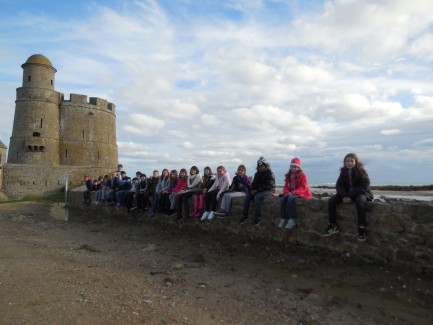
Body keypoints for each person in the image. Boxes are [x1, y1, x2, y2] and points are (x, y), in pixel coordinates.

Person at [322, 153, 373, 241]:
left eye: (351, 161)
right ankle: (333, 226)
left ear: (356, 162)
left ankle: (361, 228)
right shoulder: (343, 172)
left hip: (361, 193)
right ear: (344, 162)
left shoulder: (362, 171)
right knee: (332, 201)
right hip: (346, 194)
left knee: (360, 202)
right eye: (347, 161)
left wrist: (350, 196)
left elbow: (365, 186)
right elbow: (339, 186)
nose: (349, 163)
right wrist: (344, 196)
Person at [240, 157, 275, 226]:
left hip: (268, 190)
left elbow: (269, 185)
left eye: (262, 166)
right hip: (259, 190)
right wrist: (252, 189)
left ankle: (257, 218)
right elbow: (253, 184)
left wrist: (257, 190)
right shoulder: (257, 174)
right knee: (248, 196)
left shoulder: (269, 173)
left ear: (265, 166)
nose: (261, 168)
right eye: (259, 166)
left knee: (257, 197)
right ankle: (244, 216)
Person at [278, 158, 312, 229]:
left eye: (295, 167)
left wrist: (292, 192)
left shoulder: (302, 175)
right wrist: (287, 192)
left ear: (298, 167)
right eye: (291, 166)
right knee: (283, 199)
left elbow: (303, 187)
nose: (293, 168)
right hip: (292, 193)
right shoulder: (289, 176)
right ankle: (283, 219)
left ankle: (292, 220)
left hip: (302, 193)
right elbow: (286, 186)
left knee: (290, 199)